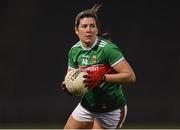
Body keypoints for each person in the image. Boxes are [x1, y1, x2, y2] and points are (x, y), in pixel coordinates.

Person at [60, 4, 136, 129]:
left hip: (111, 109)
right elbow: (71, 75)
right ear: (76, 30)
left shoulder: (108, 49)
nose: (88, 30)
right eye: (84, 26)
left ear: (97, 29)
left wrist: (102, 78)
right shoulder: (74, 50)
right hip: (87, 106)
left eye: (92, 26)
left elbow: (130, 76)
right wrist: (67, 84)